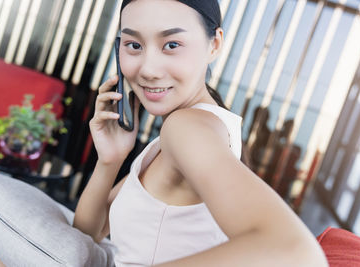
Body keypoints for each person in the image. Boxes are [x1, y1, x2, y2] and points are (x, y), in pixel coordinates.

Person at [73, 0, 328, 266]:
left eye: (171, 45)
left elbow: (296, 253)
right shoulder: (189, 130)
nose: (148, 69)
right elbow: (89, 232)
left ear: (214, 44)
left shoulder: (186, 128)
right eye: (134, 45)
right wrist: (110, 160)